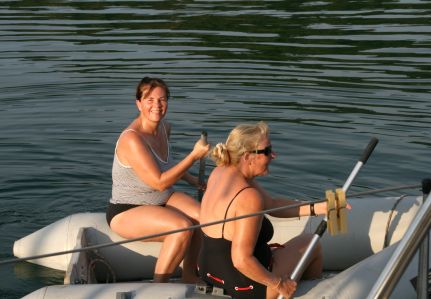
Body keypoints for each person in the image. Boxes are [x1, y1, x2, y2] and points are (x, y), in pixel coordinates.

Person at [198, 121, 327, 299]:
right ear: (247, 156)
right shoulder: (248, 197)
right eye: (266, 151)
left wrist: (320, 207)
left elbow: (272, 204)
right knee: (313, 244)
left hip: (211, 273)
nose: (273, 155)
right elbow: (241, 260)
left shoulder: (220, 172)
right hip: (244, 285)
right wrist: (278, 283)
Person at [106, 77, 210, 283]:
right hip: (128, 208)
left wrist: (192, 180)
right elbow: (159, 181)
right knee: (181, 227)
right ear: (138, 103)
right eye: (150, 100)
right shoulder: (132, 139)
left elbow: (165, 165)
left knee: (202, 218)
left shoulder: (164, 127)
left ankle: (189, 275)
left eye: (162, 100)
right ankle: (158, 286)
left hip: (162, 197)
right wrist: (193, 157)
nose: (157, 106)